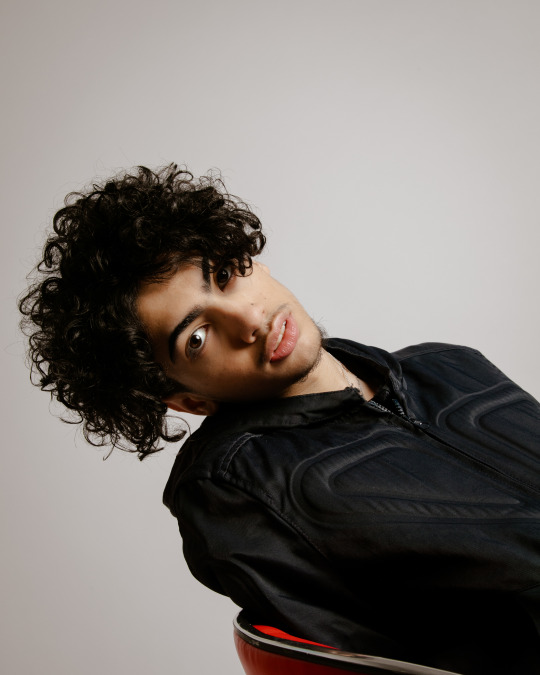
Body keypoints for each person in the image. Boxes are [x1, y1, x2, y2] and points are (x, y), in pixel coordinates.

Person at [20, 164, 540, 675]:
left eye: (224, 276)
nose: (249, 320)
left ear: (255, 263)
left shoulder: (450, 364)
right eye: (196, 338)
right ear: (187, 400)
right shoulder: (232, 487)